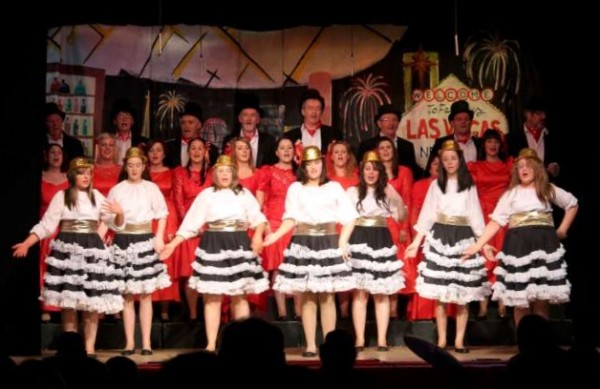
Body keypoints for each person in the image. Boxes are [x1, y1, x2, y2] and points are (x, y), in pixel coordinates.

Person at [13, 157, 123, 356]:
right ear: (73, 175)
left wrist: (120, 213)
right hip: (69, 249)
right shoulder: (62, 196)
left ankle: (89, 349)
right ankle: (71, 350)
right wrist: (28, 243)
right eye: (82, 173)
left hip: (91, 249)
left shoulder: (96, 196)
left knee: (91, 303)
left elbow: (114, 222)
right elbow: (47, 224)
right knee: (69, 302)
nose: (86, 177)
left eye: (89, 173)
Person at [160, 154, 269, 351]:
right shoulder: (206, 195)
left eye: (228, 171)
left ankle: (241, 345)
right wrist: (173, 244)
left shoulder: (243, 194)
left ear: (234, 173)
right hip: (213, 243)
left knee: (239, 295)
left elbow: (259, 219)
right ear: (215, 174)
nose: (225, 174)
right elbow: (190, 224)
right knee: (212, 296)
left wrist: (258, 236)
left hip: (238, 242)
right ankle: (210, 344)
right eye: (221, 171)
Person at [463, 148, 578, 326]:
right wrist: (478, 245)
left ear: (537, 168)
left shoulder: (546, 189)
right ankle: (525, 342)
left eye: (528, 166)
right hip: (519, 245)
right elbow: (496, 222)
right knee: (520, 298)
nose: (524, 169)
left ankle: (540, 343)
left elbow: (572, 203)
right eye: (520, 166)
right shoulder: (511, 194)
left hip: (543, 245)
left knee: (541, 296)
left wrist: (562, 229)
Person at [264, 146, 358, 357]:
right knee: (307, 296)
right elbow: (291, 217)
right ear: (303, 167)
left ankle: (329, 344)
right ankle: (310, 345)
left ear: (322, 164)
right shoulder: (296, 188)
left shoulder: (333, 187)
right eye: (309, 164)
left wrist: (343, 241)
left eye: (317, 163)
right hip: (304, 241)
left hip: (328, 241)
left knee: (327, 295)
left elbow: (350, 217)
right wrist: (276, 235)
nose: (313, 167)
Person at [405, 139, 489, 353]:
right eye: (446, 159)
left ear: (460, 160)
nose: (450, 162)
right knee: (441, 292)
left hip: (462, 236)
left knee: (462, 291)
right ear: (440, 162)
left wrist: (483, 244)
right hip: (441, 235)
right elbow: (427, 215)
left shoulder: (468, 184)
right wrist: (416, 242)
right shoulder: (436, 185)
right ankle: (442, 340)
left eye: (453, 158)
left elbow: (476, 215)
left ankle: (459, 340)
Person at [106, 147, 172, 355]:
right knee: (126, 295)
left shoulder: (151, 188)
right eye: (130, 165)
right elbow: (109, 219)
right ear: (125, 167)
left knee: (145, 294)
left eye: (138, 165)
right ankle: (128, 343)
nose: (134, 169)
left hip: (144, 238)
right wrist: (117, 217)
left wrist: (159, 237)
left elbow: (162, 214)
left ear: (144, 167)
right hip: (123, 239)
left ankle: (146, 343)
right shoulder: (117, 189)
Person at [347, 151, 406, 351]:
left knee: (381, 292)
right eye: (367, 168)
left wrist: (397, 200)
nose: (371, 173)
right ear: (361, 171)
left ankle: (382, 339)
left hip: (381, 238)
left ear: (380, 172)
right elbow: (346, 219)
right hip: (359, 238)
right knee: (360, 293)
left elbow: (401, 215)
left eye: (375, 169)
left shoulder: (387, 190)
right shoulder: (353, 192)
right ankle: (360, 339)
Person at [468, 129, 512, 319]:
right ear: (483, 145)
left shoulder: (509, 165)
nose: (493, 145)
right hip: (483, 214)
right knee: (483, 258)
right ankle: (483, 305)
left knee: (502, 257)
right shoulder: (475, 166)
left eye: (496, 142)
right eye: (489, 142)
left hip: (503, 216)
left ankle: (502, 303)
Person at [256, 137, 300, 320]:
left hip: (295, 222)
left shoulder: (300, 173)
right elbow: (260, 202)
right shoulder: (268, 171)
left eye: (289, 147)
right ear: (276, 152)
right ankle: (282, 312)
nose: (286, 151)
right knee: (277, 267)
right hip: (273, 222)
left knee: (297, 266)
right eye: (282, 148)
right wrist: (266, 227)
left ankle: (298, 311)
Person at [172, 137, 213, 321]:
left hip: (209, 227)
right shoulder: (180, 173)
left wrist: (206, 225)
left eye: (200, 148)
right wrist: (192, 227)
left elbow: (216, 200)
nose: (196, 152)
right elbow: (179, 202)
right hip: (189, 228)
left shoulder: (213, 173)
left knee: (208, 271)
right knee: (190, 273)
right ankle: (193, 313)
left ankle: (208, 312)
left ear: (205, 152)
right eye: (193, 148)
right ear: (188, 152)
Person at [146, 140, 181, 321]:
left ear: (164, 154)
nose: (155, 154)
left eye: (159, 150)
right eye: (152, 150)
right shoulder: (143, 173)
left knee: (165, 262)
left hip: (165, 219)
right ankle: (147, 304)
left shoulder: (172, 173)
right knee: (147, 262)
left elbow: (174, 200)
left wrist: (172, 226)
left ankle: (165, 309)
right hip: (146, 218)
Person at [39, 143, 69, 321]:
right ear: (46, 156)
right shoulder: (41, 177)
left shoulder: (69, 178)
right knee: (46, 265)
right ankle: (46, 306)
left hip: (64, 227)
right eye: (52, 152)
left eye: (59, 152)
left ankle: (63, 304)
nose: (56, 156)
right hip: (47, 227)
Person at [357, 103, 422, 179]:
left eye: (394, 119)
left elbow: (413, 171)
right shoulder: (366, 145)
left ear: (398, 123)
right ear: (379, 123)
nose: (391, 123)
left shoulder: (407, 146)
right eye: (386, 120)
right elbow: (361, 171)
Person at [506, 97, 560, 179]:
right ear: (528, 114)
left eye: (544, 113)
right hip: (523, 187)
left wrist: (555, 166)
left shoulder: (550, 135)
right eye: (539, 113)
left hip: (547, 185)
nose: (543, 117)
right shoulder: (513, 137)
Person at [221, 94, 277, 168]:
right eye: (245, 115)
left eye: (253, 115)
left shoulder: (269, 141)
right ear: (240, 119)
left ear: (258, 120)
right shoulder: (229, 140)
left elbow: (273, 167)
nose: (249, 119)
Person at [282, 89, 343, 153]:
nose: (314, 112)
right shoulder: (290, 136)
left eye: (317, 108)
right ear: (303, 111)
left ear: (321, 112)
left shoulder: (334, 134)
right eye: (310, 108)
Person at [164, 102, 219, 168]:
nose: (186, 126)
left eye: (190, 122)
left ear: (199, 125)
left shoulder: (210, 149)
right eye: (183, 123)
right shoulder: (169, 148)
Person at [429, 100, 481, 165]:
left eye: (466, 119)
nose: (463, 122)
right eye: (459, 119)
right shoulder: (441, 144)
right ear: (452, 123)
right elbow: (430, 170)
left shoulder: (480, 144)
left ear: (471, 122)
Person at [109, 99, 148, 163]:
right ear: (115, 121)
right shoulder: (108, 140)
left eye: (128, 116)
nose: (124, 119)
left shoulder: (142, 141)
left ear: (132, 121)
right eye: (121, 116)